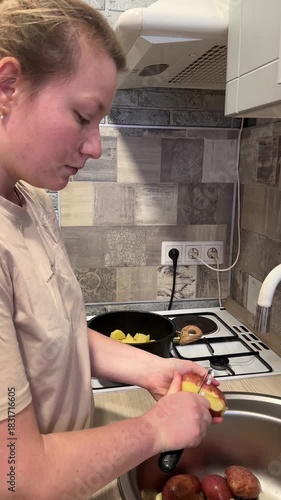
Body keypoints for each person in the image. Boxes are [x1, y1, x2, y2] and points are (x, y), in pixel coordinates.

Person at [0, 0, 223, 498]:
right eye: (83, 115)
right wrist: (156, 429)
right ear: (8, 87)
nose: (95, 146)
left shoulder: (30, 200)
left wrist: (152, 368)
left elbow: (54, 335)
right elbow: (18, 477)